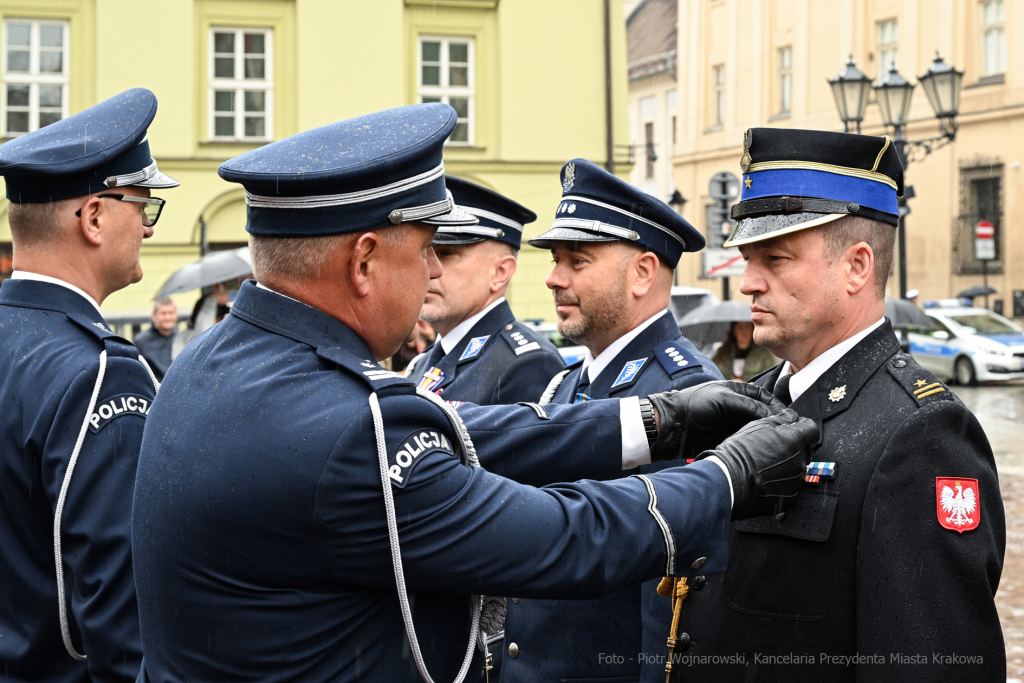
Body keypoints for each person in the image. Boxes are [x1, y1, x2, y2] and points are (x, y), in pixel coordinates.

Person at [130, 103, 817, 682]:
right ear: (365, 261)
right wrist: (731, 475)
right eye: (425, 247)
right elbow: (564, 536)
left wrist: (654, 420)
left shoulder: (219, 360)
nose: (431, 269)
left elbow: (452, 429)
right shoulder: (342, 430)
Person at [664, 127, 1005, 682]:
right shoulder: (757, 402)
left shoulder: (920, 434)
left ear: (856, 267)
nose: (748, 282)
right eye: (748, 258)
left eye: (775, 257)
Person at [497, 158, 724, 683]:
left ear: (643, 272)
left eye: (577, 260)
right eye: (556, 260)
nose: (553, 279)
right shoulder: (565, 384)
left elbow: (671, 599)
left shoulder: (685, 393)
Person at [0, 88, 179, 682]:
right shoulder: (102, 372)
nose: (149, 229)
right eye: (142, 205)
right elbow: (122, 606)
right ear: (95, 217)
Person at [408, 176, 565, 403]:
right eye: (426, 252)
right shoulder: (423, 363)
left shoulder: (528, 365)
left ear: (500, 272)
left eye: (447, 254)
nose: (430, 269)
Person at [712, 320, 778, 381]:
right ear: (734, 330)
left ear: (753, 329)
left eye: (747, 327)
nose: (744, 331)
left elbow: (769, 380)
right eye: (740, 327)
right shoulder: (722, 353)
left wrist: (746, 386)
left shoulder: (764, 355)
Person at [134, 297, 178, 380]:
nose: (168, 318)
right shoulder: (141, 341)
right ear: (154, 315)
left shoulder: (180, 339)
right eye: (163, 313)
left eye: (171, 313)